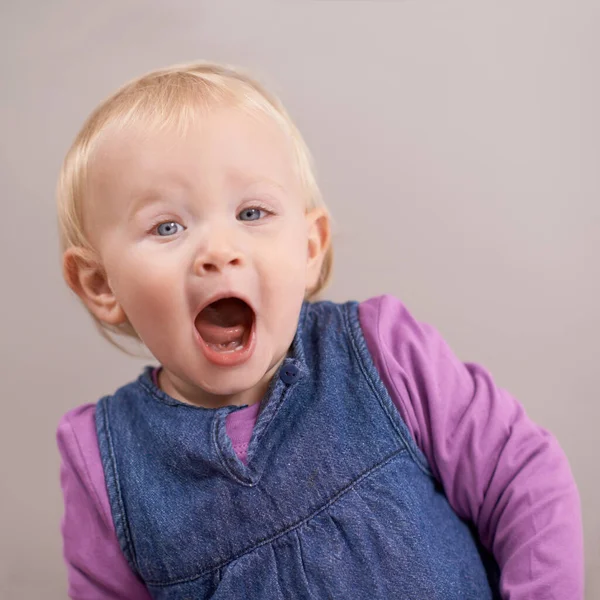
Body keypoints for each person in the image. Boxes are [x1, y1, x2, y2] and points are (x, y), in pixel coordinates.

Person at [56, 61, 583, 599]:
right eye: (167, 226)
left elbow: (524, 482)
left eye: (253, 212)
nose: (219, 252)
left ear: (309, 248)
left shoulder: (383, 354)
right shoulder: (106, 466)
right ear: (102, 284)